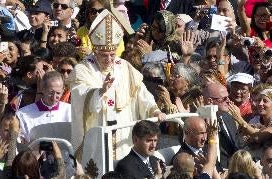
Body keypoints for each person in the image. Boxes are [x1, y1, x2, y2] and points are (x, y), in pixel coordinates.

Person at [70, 9, 166, 159]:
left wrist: (154, 110)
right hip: (97, 129)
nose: (109, 59)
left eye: (112, 54)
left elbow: (140, 92)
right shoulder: (83, 69)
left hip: (124, 131)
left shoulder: (124, 66)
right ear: (94, 51)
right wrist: (99, 92)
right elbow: (79, 95)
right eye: (103, 55)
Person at [16, 71, 71, 143]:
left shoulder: (70, 110)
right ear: (43, 89)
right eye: (51, 92)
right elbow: (20, 141)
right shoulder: (22, 114)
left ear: (63, 90)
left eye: (58, 93)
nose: (54, 97)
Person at [202, 82, 238, 168]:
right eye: (224, 98)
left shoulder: (228, 117)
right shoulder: (200, 122)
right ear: (210, 101)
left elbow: (237, 146)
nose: (228, 101)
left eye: (228, 97)